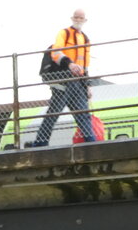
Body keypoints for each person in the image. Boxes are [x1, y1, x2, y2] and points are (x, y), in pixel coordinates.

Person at [29, 9, 97, 147]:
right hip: (64, 80)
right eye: (76, 17)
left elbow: (85, 65)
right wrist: (69, 64)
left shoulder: (85, 39)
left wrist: (87, 84)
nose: (78, 20)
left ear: (85, 20)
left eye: (80, 18)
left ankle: (91, 142)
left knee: (82, 114)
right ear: (72, 18)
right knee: (55, 113)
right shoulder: (64, 33)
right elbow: (56, 52)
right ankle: (41, 143)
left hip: (77, 82)